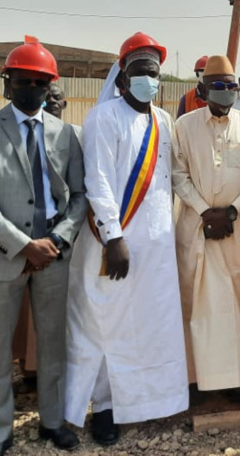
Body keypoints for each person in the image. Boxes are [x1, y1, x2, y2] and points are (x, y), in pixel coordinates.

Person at [0, 38, 87, 455]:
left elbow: (79, 197)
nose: (32, 88)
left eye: (41, 82)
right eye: (24, 81)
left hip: (53, 255)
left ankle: (51, 422)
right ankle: (0, 432)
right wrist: (23, 245)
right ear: (7, 84)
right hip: (2, 257)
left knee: (53, 345)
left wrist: (57, 239)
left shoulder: (65, 132)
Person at [65, 33, 188, 445]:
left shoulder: (163, 121)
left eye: (153, 72)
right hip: (112, 245)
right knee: (108, 325)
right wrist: (114, 237)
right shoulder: (104, 117)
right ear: (122, 77)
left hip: (156, 248)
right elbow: (97, 182)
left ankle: (145, 403)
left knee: (150, 325)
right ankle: (104, 407)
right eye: (140, 71)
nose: (148, 79)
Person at [173, 55, 240, 397]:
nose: (225, 93)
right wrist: (204, 212)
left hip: (237, 230)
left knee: (234, 305)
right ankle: (194, 379)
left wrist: (230, 212)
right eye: (218, 86)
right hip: (196, 229)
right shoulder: (183, 126)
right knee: (193, 304)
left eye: (231, 87)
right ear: (202, 88)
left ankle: (232, 380)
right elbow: (178, 176)